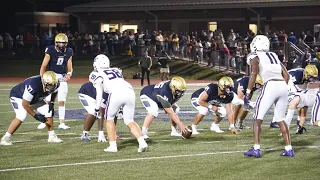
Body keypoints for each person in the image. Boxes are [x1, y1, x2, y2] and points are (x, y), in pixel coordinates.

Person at [244, 35, 293, 158]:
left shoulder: (254, 55)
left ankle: (256, 148)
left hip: (270, 85)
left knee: (257, 118)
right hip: (282, 85)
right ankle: (289, 149)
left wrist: (248, 92)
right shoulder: (274, 55)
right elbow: (286, 75)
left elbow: (254, 72)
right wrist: (281, 88)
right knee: (280, 119)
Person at [92, 54, 148, 152]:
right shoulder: (117, 70)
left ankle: (113, 146)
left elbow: (99, 92)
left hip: (116, 93)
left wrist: (97, 108)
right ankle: (142, 142)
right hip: (129, 90)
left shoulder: (98, 74)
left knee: (109, 119)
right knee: (130, 120)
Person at [0, 71, 63, 145]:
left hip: (35, 98)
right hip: (19, 96)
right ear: (44, 82)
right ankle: (6, 138)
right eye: (50, 85)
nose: (52, 87)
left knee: (48, 111)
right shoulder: (33, 85)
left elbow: (55, 92)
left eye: (53, 85)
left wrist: (51, 102)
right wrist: (36, 116)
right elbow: (25, 104)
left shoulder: (55, 83)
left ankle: (52, 136)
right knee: (21, 115)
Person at [37, 33, 73, 130]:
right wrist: (42, 78)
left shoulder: (69, 51)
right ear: (56, 43)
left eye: (64, 43)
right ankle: (45, 121)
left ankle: (62, 123)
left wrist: (69, 74)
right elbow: (44, 65)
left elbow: (69, 66)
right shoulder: (50, 50)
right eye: (60, 43)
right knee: (48, 100)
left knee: (61, 101)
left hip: (61, 77)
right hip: (51, 76)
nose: (62, 45)